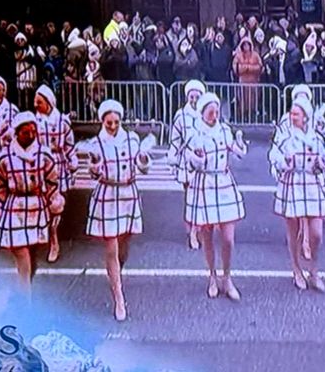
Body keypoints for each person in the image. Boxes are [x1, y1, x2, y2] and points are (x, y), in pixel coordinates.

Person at [81, 99, 153, 321]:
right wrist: (93, 165)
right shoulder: (96, 144)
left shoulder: (131, 139)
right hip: (107, 195)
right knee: (110, 247)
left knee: (123, 246)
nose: (112, 126)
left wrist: (142, 159)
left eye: (116, 122)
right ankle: (119, 298)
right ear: (102, 121)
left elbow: (143, 167)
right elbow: (93, 173)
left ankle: (116, 274)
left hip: (128, 195)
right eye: (108, 122)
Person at [184, 92, 248, 301]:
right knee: (208, 234)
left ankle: (227, 277)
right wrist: (197, 159)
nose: (214, 114)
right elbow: (189, 161)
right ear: (203, 113)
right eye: (210, 111)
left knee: (228, 238)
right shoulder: (195, 134)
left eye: (217, 110)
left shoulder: (224, 130)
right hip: (204, 184)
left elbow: (237, 151)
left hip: (224, 182)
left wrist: (240, 145)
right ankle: (212, 276)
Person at [0, 112, 62, 291]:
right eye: (25, 132)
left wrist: (54, 202)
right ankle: (25, 297)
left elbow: (52, 180)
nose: (30, 136)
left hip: (37, 205)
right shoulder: (5, 157)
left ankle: (27, 283)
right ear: (16, 133)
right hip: (14, 206)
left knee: (32, 253)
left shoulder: (44, 155)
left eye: (33, 132)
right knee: (20, 250)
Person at [269, 97, 325, 292]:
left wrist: (322, 163)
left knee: (316, 233)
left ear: (305, 116)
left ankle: (314, 270)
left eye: (296, 113)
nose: (292, 116)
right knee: (294, 231)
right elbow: (273, 155)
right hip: (292, 183)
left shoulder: (316, 136)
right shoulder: (284, 135)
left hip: (311, 184)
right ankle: (296, 270)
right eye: (291, 112)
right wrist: (283, 162)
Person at [32, 84, 75, 263]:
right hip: (41, 165)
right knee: (45, 203)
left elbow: (69, 144)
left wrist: (73, 164)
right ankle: (50, 238)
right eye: (35, 101)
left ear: (48, 103)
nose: (35, 105)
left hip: (58, 164)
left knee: (56, 205)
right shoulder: (34, 122)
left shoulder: (62, 122)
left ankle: (54, 241)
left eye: (39, 102)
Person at [169, 79, 206, 251]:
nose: (194, 99)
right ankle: (191, 228)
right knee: (190, 197)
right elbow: (175, 139)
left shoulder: (206, 113)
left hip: (202, 161)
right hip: (186, 161)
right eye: (191, 96)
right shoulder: (181, 115)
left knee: (200, 197)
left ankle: (196, 231)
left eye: (197, 96)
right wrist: (174, 158)